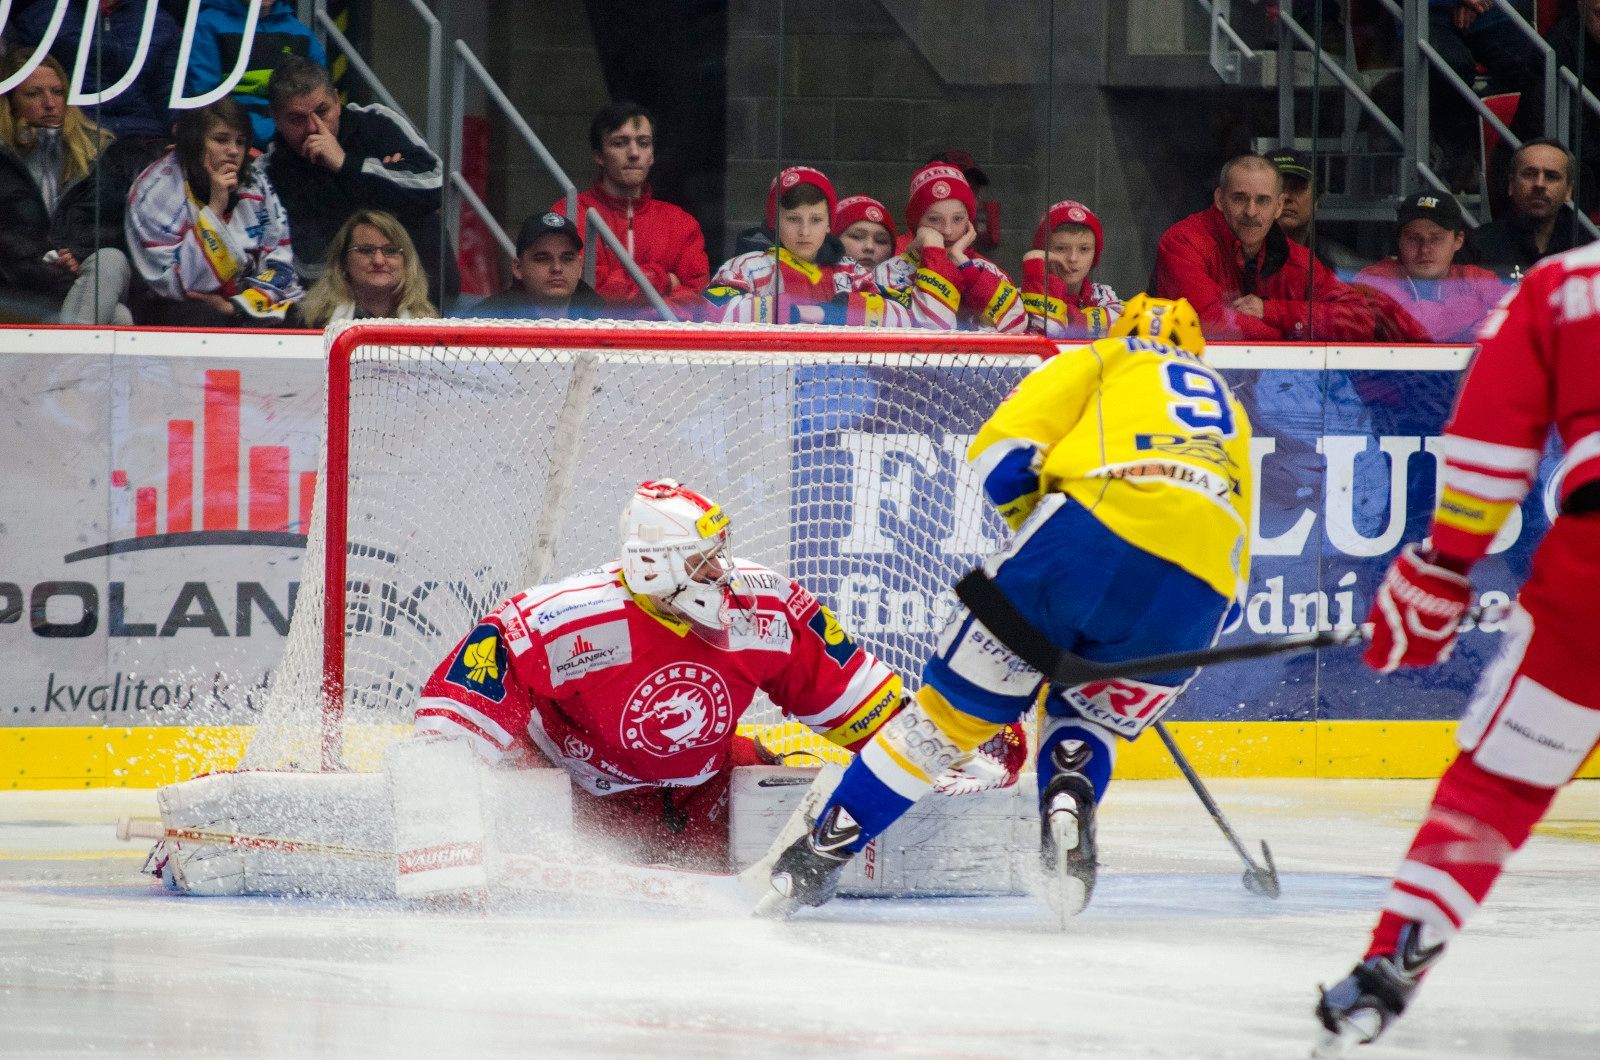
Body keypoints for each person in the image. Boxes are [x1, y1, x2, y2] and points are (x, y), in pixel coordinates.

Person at [757, 296, 1254, 920]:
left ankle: (816, 858)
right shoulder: (1230, 413)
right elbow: (1236, 583)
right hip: (1196, 599)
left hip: (1080, 542)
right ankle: (1070, 793)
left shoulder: (1104, 356)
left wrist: (1042, 536)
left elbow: (999, 453)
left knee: (941, 726)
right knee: (1089, 720)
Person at [412, 479, 1019, 872]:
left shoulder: (765, 606)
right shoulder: (556, 620)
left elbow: (853, 698)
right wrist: (441, 832)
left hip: (705, 791)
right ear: (654, 566)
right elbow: (450, 729)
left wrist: (952, 739)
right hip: (580, 796)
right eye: (704, 561)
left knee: (767, 783)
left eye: (721, 553)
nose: (723, 572)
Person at [1312, 243, 1600, 1053]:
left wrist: (1444, 564)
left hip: (1594, 579)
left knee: (1499, 783)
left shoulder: (1567, 284)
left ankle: (1388, 968)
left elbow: (1493, 433)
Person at [263, 56, 455, 311]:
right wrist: (385, 183)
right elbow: (306, 261)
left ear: (336, 100)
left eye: (322, 111)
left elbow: (434, 187)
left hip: (412, 291)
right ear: (275, 118)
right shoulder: (270, 169)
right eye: (297, 119)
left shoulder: (375, 122)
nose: (313, 128)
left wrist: (346, 164)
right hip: (327, 300)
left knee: (426, 220)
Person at [1152, 154, 1377, 341]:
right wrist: (1289, 338)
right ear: (1220, 200)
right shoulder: (1184, 242)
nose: (1251, 212)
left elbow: (1360, 319)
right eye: (1240, 198)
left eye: (1263, 201)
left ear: (1278, 206)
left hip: (1268, 387)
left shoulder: (1294, 259)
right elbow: (1205, 321)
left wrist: (1271, 311)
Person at [126, 100, 302, 327]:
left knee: (305, 315)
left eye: (240, 142)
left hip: (243, 303)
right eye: (221, 140)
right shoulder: (154, 192)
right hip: (177, 309)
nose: (233, 151)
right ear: (193, 143)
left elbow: (280, 265)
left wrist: (238, 305)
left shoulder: (257, 183)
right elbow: (178, 285)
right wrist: (215, 208)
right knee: (200, 317)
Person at [0, 50, 133, 324]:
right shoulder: (3, 157)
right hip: (17, 284)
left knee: (111, 258)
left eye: (58, 92)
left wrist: (76, 253)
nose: (50, 103)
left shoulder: (97, 151)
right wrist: (45, 258)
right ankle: (72, 354)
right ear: (10, 101)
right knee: (119, 318)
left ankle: (67, 356)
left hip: (74, 278)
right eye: (34, 94)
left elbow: (111, 226)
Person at [549, 101, 709, 318]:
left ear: (651, 156)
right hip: (591, 347)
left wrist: (641, 319)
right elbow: (584, 292)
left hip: (661, 347)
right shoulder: (568, 213)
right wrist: (663, 279)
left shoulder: (681, 223)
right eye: (619, 143)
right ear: (599, 156)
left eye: (643, 143)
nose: (634, 153)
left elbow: (696, 300)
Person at [703, 166, 911, 326]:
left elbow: (902, 316)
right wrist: (794, 311)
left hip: (841, 378)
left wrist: (833, 313)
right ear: (774, 222)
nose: (805, 232)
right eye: (793, 219)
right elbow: (712, 310)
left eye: (816, 220)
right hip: (771, 378)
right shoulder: (746, 266)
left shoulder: (851, 272)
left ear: (830, 224)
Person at [874, 162, 1025, 333]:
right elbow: (935, 324)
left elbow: (1016, 324)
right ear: (917, 223)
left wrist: (966, 268)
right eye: (934, 220)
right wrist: (933, 253)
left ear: (969, 220)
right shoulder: (890, 271)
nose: (947, 231)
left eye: (958, 219)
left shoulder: (986, 270)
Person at [7, 0, 180, 139]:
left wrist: (184, 132)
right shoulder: (42, 17)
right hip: (74, 134)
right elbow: (23, 84)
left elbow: (167, 90)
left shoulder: (158, 21)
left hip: (144, 135)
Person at [1352, 193, 1505, 343]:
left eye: (1436, 238)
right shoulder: (1373, 279)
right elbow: (1418, 326)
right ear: (1399, 241)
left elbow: (1507, 328)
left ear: (1458, 240)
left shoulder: (1478, 279)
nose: (1425, 249)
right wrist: (1475, 308)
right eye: (1414, 238)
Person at [184, 0, 326, 149]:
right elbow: (207, 97)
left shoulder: (301, 32)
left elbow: (320, 95)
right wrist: (277, 132)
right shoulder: (207, 24)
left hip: (291, 137)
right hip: (237, 141)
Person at [1506, 0, 1600, 215]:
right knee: (1566, 173)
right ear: (1581, 5)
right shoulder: (1553, 49)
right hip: (1558, 154)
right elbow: (1560, 131)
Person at [1473, 139, 1594, 282]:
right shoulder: (1478, 245)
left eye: (1551, 176)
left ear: (1568, 190)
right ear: (1511, 184)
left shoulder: (1587, 251)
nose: (1539, 184)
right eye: (1529, 174)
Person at [300, 209, 435, 327]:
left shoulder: (430, 324)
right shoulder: (311, 320)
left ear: (407, 262)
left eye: (390, 250)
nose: (378, 261)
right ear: (343, 260)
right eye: (365, 250)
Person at [466, 212, 605, 320]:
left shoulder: (605, 317)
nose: (557, 268)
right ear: (518, 267)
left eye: (567, 258)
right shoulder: (487, 319)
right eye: (542, 258)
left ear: (580, 266)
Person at [1021, 199, 1123, 339]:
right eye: (1061, 248)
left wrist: (1065, 317)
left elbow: (1123, 323)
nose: (1073, 258)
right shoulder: (1019, 298)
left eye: (1084, 249)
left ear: (1095, 254)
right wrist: (1036, 274)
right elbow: (1049, 330)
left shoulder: (1102, 294)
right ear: (1043, 253)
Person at [1266, 147, 1362, 276]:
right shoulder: (1241, 261)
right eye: (1277, 188)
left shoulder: (1327, 264)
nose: (1287, 197)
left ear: (1316, 200)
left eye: (1297, 187)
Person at [832, 195, 897, 269]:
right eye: (857, 237)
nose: (869, 247)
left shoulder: (907, 279)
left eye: (880, 241)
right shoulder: (817, 278)